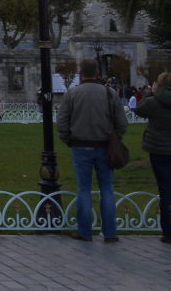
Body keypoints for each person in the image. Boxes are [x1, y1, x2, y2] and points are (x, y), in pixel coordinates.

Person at [56, 59, 127, 243]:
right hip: (105, 147)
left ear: (81, 73)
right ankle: (110, 233)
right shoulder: (110, 93)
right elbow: (122, 123)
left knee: (84, 190)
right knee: (107, 190)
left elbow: (62, 123)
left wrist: (69, 140)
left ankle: (85, 232)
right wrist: (115, 140)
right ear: (97, 74)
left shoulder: (72, 94)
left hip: (80, 146)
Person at [134, 72, 171, 244]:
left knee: (166, 193)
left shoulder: (153, 102)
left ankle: (168, 233)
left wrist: (150, 92)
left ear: (158, 85)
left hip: (160, 151)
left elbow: (138, 110)